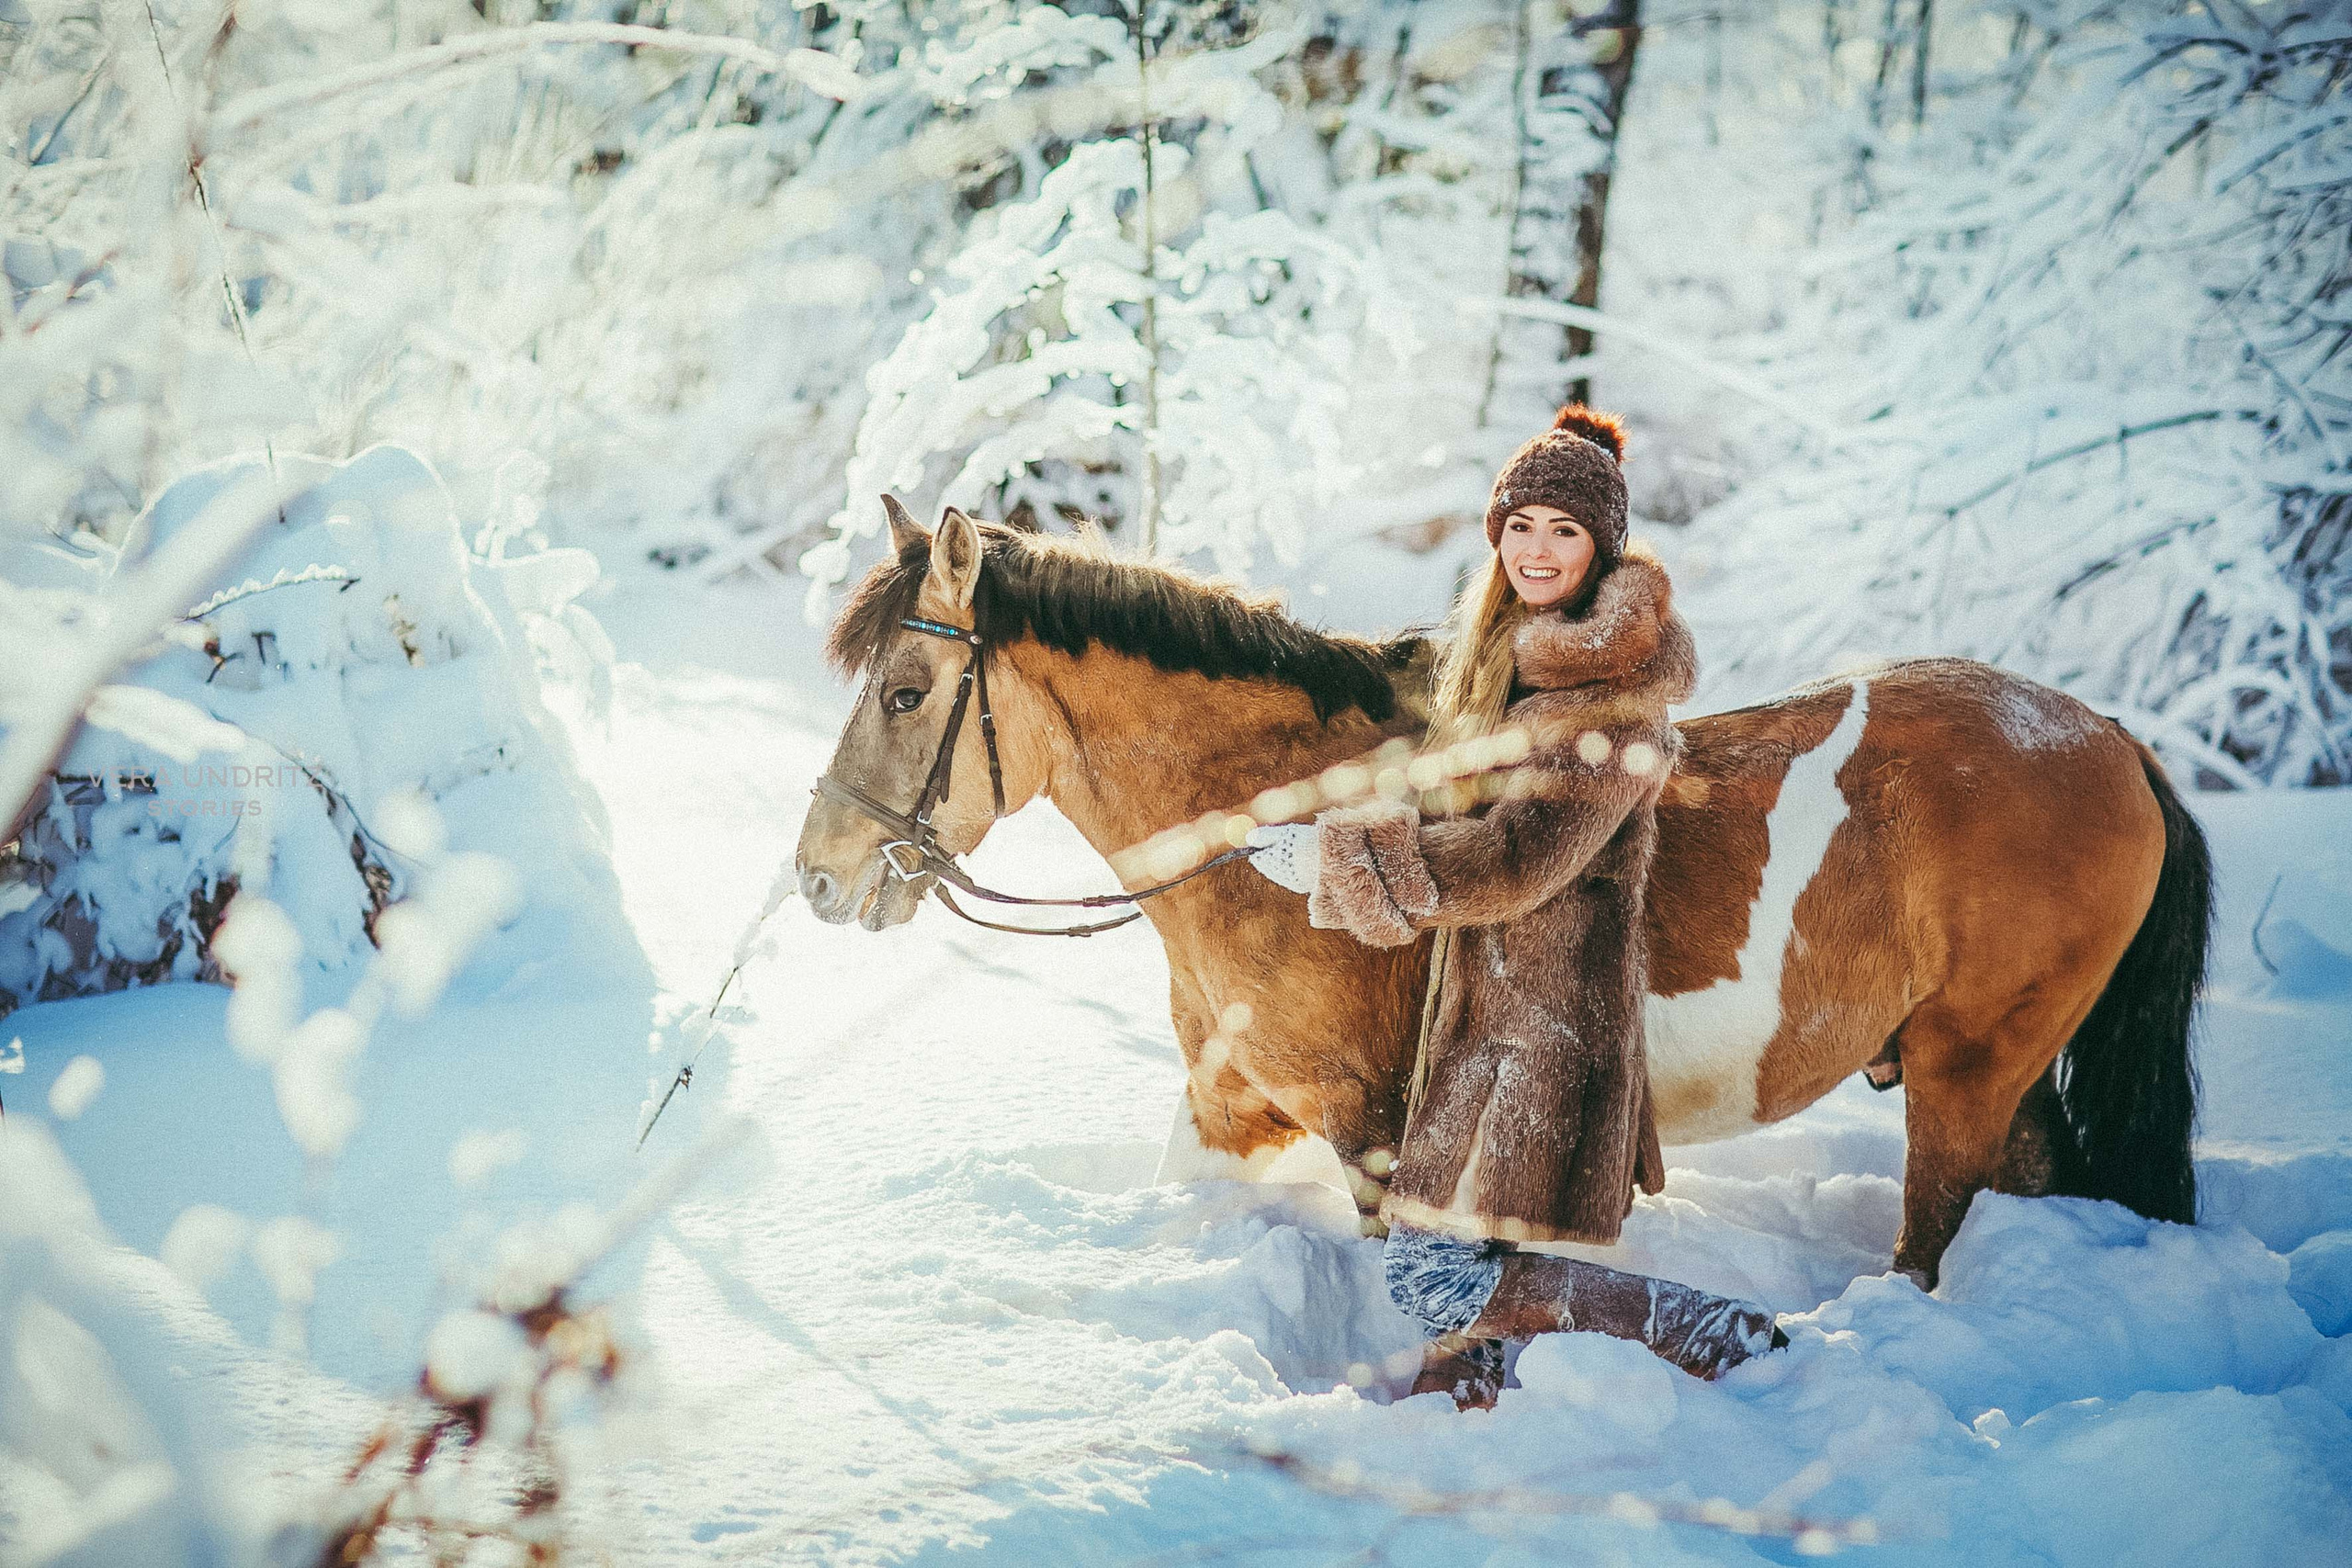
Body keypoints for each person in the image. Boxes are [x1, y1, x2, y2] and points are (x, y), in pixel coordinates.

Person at [1247, 407, 1785, 1406]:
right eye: (1522, 525)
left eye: (1565, 532)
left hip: (1541, 1035)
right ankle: (1467, 1388)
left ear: (1602, 549)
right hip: (1485, 1018)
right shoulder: (1508, 663)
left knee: (1428, 1264)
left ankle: (1715, 1332)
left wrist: (1336, 864)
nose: (1537, 550)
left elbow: (1516, 860)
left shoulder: (1609, 699)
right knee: (1456, 1262)